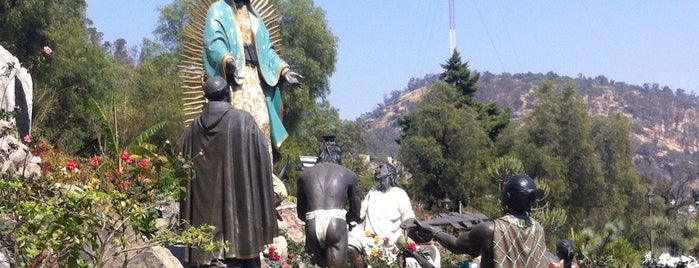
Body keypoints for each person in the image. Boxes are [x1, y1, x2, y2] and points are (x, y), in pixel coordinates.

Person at [203, 0, 302, 199]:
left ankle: (263, 176)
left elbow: (268, 51)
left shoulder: (254, 14)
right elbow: (213, 42)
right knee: (237, 125)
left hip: (254, 80)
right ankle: (237, 176)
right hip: (233, 84)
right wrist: (227, 59)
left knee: (262, 123)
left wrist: (284, 70)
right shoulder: (218, 10)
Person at [180, 76, 278, 268]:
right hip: (242, 232)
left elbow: (183, 173)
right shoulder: (244, 121)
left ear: (206, 97)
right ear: (228, 94)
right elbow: (263, 161)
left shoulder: (192, 130)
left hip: (204, 231)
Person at [414, 174, 548, 268]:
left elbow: (456, 245)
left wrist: (435, 233)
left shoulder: (490, 230)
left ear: (506, 198)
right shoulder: (538, 230)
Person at [296, 137, 362, 268]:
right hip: (335, 222)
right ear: (338, 157)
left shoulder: (304, 175)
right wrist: (345, 220)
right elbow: (355, 212)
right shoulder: (348, 174)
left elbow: (301, 213)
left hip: (312, 221)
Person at [348, 162, 417, 268]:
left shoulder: (399, 194)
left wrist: (406, 236)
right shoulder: (373, 192)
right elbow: (359, 214)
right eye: (376, 167)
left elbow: (409, 217)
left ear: (389, 172)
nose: (376, 169)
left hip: (392, 246)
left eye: (380, 167)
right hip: (370, 244)